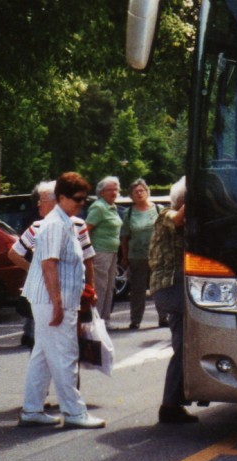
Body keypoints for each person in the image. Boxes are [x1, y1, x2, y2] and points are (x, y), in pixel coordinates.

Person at [18, 171, 105, 429]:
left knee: (43, 355)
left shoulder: (64, 220)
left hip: (52, 299)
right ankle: (75, 412)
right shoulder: (55, 224)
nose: (82, 203)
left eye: (85, 199)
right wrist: (57, 303)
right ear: (62, 197)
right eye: (77, 198)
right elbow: (49, 265)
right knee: (66, 354)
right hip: (53, 300)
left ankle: (32, 409)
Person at [7, 180, 96, 348]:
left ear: (56, 201)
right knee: (51, 344)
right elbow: (13, 253)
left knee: (65, 344)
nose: (38, 205)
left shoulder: (78, 225)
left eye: (42, 200)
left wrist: (92, 289)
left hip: (71, 293)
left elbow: (88, 258)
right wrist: (35, 269)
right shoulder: (37, 226)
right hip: (48, 293)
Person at [149, 176, 198, 424]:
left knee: (183, 346)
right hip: (169, 288)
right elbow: (177, 218)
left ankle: (171, 404)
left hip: (179, 287)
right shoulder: (164, 215)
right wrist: (199, 191)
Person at [120, 178, 159, 330]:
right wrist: (124, 256)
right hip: (136, 257)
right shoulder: (128, 213)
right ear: (131, 196)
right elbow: (125, 237)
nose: (139, 193)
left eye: (141, 190)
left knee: (159, 288)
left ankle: (164, 318)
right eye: (135, 192)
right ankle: (135, 320)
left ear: (147, 192)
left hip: (157, 255)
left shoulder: (158, 209)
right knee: (137, 290)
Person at [85, 176, 122, 325]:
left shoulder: (112, 207)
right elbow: (86, 229)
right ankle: (96, 320)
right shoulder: (99, 207)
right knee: (100, 286)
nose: (114, 192)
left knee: (110, 286)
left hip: (112, 251)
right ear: (101, 192)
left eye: (116, 189)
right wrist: (87, 253)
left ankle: (105, 318)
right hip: (100, 251)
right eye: (110, 190)